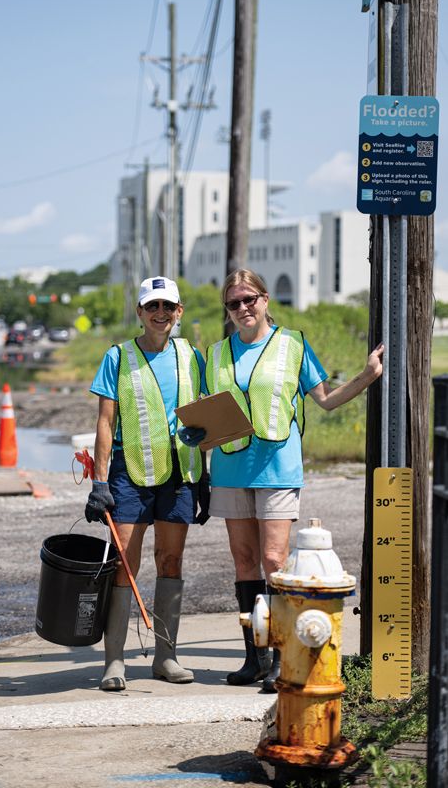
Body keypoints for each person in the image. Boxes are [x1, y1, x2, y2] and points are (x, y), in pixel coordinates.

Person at [180, 268, 383, 692]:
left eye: (248, 299)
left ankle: (280, 657)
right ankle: (253, 657)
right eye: (233, 303)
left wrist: (366, 376)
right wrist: (194, 433)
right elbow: (204, 411)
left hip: (277, 468)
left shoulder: (293, 344)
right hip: (232, 468)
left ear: (266, 299)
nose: (242, 309)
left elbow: (325, 400)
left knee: (275, 561)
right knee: (242, 560)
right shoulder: (216, 354)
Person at [85, 276, 209, 691]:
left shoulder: (192, 355)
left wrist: (204, 473)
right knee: (126, 565)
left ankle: (165, 657)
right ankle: (114, 661)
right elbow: (105, 422)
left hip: (179, 474)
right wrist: (99, 482)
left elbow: (205, 417)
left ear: (179, 312)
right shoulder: (118, 357)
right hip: (130, 475)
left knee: (170, 563)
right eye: (152, 307)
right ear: (139, 313)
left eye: (167, 307)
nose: (160, 314)